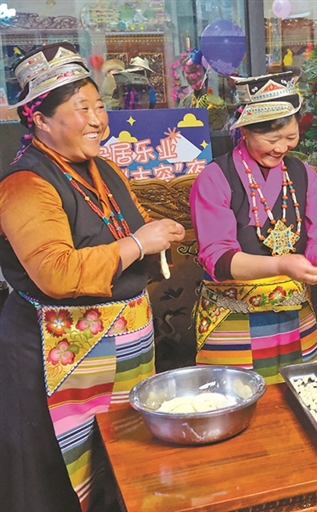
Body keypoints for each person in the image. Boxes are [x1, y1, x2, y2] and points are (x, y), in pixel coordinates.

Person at [0, 42, 185, 511]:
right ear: (40, 120)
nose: (98, 120)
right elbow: (56, 272)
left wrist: (157, 236)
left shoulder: (102, 168)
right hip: (59, 361)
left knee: (121, 469)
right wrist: (138, 244)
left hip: (123, 352)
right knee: (61, 481)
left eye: (99, 106)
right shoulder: (25, 184)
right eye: (82, 108)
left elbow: (127, 225)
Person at [190, 72, 317, 384]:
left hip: (295, 319)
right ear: (245, 130)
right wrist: (281, 265)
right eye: (272, 140)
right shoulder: (215, 178)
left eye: (290, 137)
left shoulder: (303, 174)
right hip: (233, 321)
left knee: (302, 395)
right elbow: (218, 259)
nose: (281, 148)